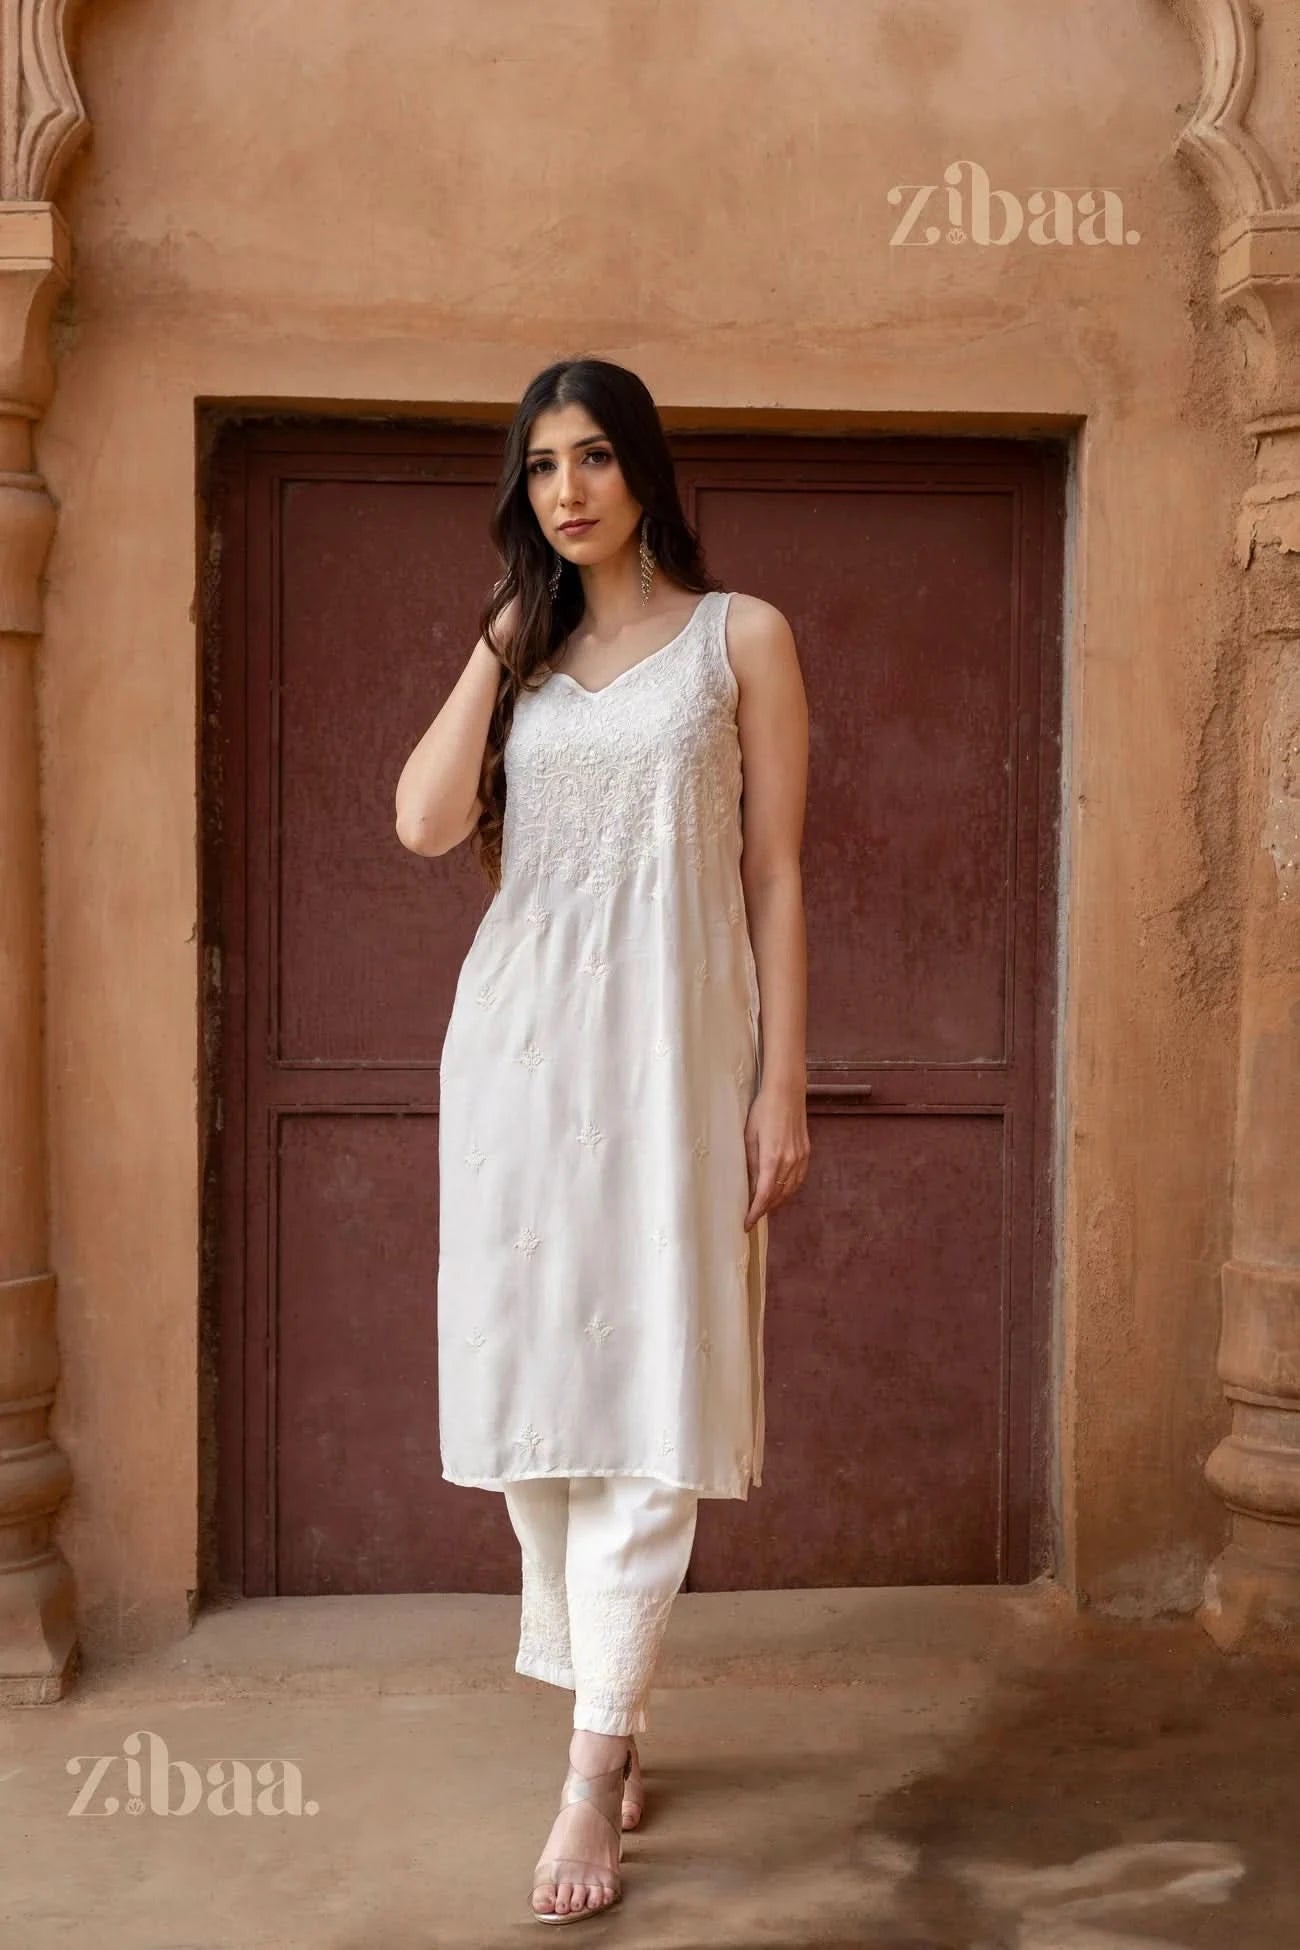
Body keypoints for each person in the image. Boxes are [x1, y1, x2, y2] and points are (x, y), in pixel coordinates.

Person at [395, 356, 810, 1923]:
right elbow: (428, 822)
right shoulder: (527, 649)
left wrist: (782, 1083)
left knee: (655, 1387)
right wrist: (500, 639)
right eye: (542, 465)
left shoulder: (738, 638)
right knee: (544, 1408)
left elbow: (775, 875)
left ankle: (590, 1770)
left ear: (644, 468)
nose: (567, 488)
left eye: (594, 457)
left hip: (680, 1055)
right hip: (518, 1059)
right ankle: (607, 1705)